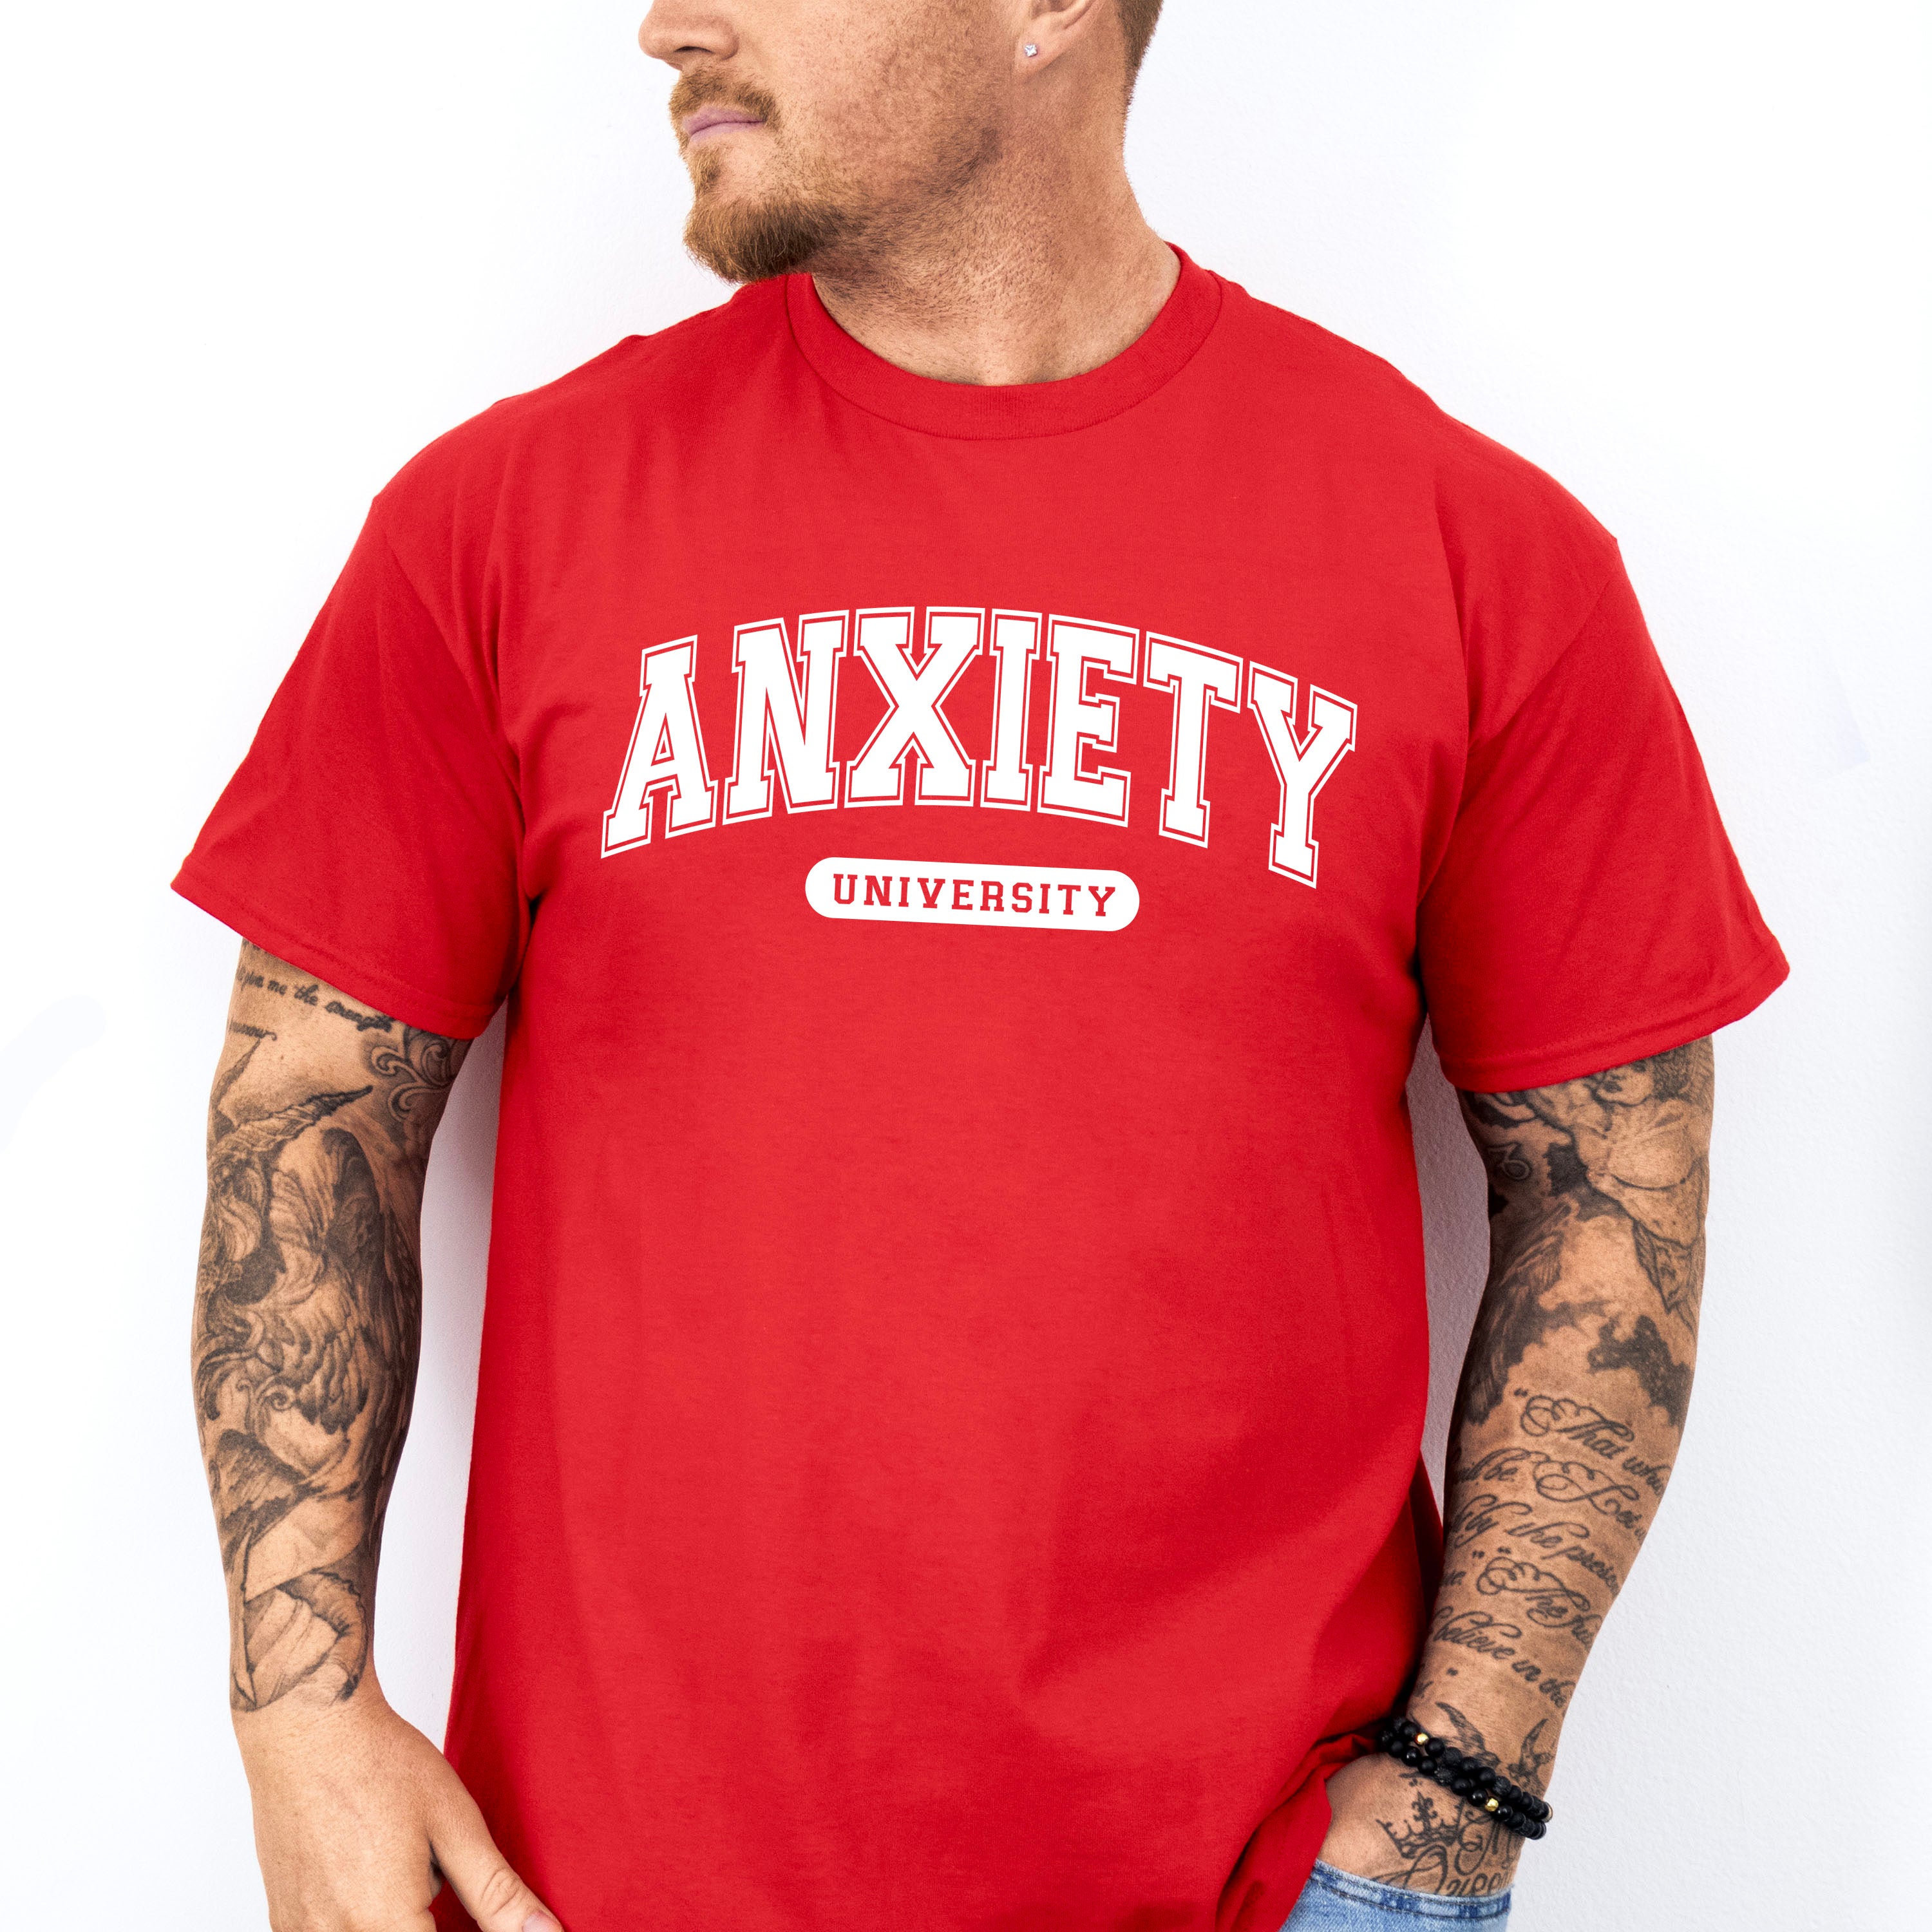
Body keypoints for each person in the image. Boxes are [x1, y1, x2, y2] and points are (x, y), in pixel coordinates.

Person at [175, 3, 1786, 1927]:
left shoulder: (1474, 553)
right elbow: (311, 1115)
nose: (670, 26)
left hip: (1263, 1887)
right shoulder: (502, 523)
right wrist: (300, 1716)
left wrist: (1458, 1791)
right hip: (595, 1888)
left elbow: (1614, 1186)